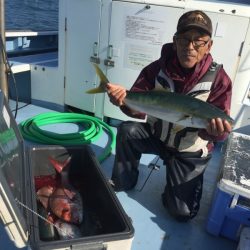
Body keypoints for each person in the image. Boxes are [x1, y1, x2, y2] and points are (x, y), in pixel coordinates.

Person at [106, 10, 232, 222]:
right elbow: (136, 107)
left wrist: (217, 134)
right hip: (157, 137)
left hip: (188, 150)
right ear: (175, 42)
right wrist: (122, 101)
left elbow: (220, 129)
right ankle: (123, 181)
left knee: (182, 214)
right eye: (184, 39)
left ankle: (181, 184)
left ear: (208, 45)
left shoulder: (219, 79)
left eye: (198, 41)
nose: (190, 47)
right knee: (128, 130)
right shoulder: (156, 69)